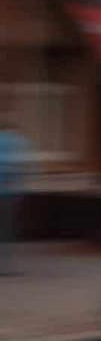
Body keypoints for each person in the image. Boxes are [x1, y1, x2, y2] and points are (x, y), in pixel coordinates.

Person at [0, 116, 25, 276]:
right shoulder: (19, 142)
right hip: (10, 194)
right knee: (6, 230)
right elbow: (23, 167)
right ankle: (5, 266)